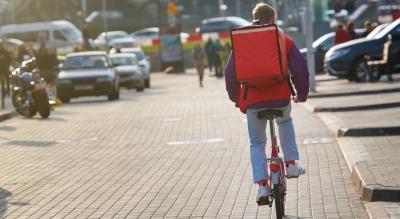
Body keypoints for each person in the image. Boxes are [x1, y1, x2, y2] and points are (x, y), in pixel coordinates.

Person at [225, 3, 309, 205]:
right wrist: (302, 95)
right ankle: (290, 164)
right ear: (273, 19)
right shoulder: (281, 37)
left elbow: (230, 74)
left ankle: (262, 186)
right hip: (280, 97)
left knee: (256, 143)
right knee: (285, 122)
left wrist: (237, 99)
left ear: (253, 17)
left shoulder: (241, 39)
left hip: (253, 100)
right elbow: (299, 69)